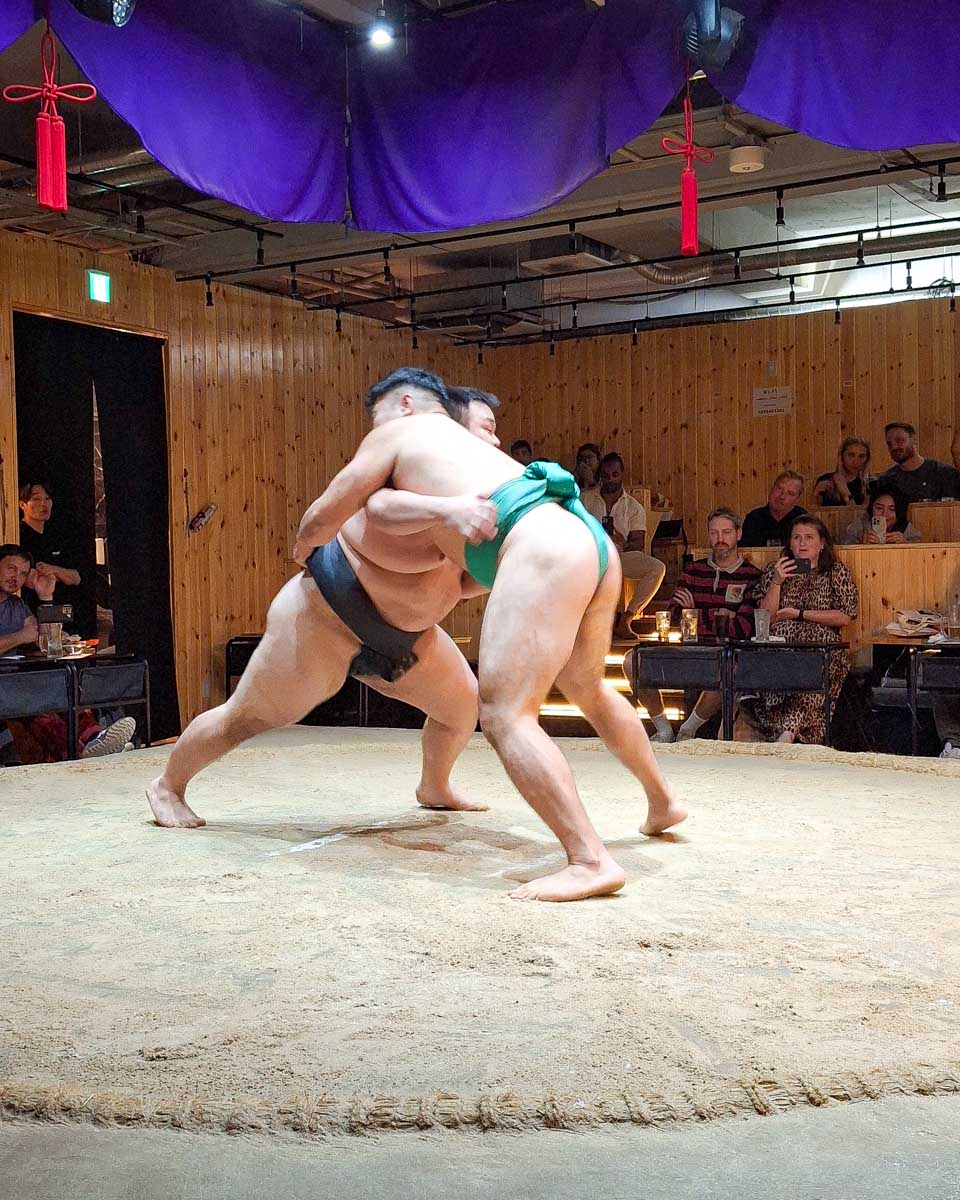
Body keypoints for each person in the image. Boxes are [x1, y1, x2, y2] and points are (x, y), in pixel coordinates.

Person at [148, 369, 499, 834]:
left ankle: (434, 786)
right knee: (248, 716)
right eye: (486, 428)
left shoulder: (482, 487)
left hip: (406, 638)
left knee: (460, 707)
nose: (493, 442)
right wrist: (306, 548)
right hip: (327, 617)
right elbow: (341, 516)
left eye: (495, 430)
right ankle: (168, 786)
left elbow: (470, 579)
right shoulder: (401, 460)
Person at [627, 508, 761, 743]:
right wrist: (716, 615)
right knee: (631, 660)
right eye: (714, 532)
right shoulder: (693, 570)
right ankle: (664, 729)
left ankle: (688, 731)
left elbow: (742, 627)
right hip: (687, 648)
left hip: (724, 653)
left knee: (731, 664)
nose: (720, 538)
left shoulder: (752, 576)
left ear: (738, 534)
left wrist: (696, 614)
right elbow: (675, 616)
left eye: (727, 532)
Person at [0, 544, 134, 762]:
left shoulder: (17, 605)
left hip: (18, 681)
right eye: (11, 568)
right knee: (38, 703)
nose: (16, 577)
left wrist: (46, 597)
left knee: (62, 686)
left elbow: (44, 642)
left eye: (23, 573)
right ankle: (82, 753)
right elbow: (26, 635)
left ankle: (94, 737)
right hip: (8, 685)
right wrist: (20, 637)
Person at [742, 516, 858, 745]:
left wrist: (799, 614)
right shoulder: (776, 571)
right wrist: (776, 582)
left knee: (812, 673)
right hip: (782, 645)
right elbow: (766, 616)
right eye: (796, 538)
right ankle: (789, 732)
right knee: (778, 667)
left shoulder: (834, 571)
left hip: (821, 644)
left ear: (822, 543)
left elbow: (844, 616)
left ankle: (787, 733)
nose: (802, 543)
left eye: (809, 537)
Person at [582, 452, 665, 640]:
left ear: (622, 474)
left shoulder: (633, 507)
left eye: (614, 475)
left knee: (656, 568)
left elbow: (638, 545)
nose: (610, 480)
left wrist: (620, 539)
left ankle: (627, 619)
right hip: (589, 556)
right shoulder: (585, 499)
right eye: (605, 475)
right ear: (599, 475)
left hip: (619, 557)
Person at [17, 481, 82, 611]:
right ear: (23, 504)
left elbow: (76, 577)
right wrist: (60, 576)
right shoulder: (17, 535)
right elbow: (28, 579)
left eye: (47, 498)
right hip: (29, 610)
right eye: (36, 498)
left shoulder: (56, 536)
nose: (43, 504)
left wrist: (52, 569)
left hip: (61, 610)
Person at [878, 422, 960, 502]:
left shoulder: (945, 474)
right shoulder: (886, 481)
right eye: (889, 444)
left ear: (914, 439)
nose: (894, 447)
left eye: (899, 440)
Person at [739, 471, 807, 547]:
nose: (782, 496)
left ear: (797, 499)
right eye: (779, 489)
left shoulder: (804, 520)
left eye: (790, 493)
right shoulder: (754, 518)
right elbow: (744, 551)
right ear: (771, 489)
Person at [841, 486, 921, 545]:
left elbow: (920, 556)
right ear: (871, 508)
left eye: (892, 509)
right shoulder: (858, 527)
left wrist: (906, 545)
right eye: (879, 508)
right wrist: (862, 545)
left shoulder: (906, 528)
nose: (885, 514)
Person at [812, 436, 873, 507]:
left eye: (861, 456)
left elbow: (861, 516)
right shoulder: (826, 479)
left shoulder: (870, 484)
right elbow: (814, 514)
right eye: (851, 455)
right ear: (841, 456)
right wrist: (815, 494)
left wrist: (846, 494)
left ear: (866, 459)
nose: (856, 461)